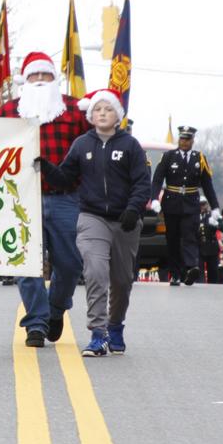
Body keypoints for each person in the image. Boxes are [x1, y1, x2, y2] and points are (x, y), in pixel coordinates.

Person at [38, 88, 151, 357]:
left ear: (118, 115)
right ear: (91, 115)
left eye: (108, 109)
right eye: (98, 109)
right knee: (95, 272)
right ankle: (97, 335)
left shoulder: (130, 146)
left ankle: (115, 326)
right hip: (91, 218)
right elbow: (66, 178)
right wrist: (46, 168)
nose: (102, 113)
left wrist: (134, 210)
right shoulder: (82, 145)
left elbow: (142, 183)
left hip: (125, 221)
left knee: (122, 281)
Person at [0, 52, 90, 348]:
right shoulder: (8, 111)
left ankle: (56, 308)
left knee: (71, 264)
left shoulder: (75, 111)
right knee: (26, 264)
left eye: (45, 75)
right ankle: (36, 323)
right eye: (33, 76)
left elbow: (90, 152)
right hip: (22, 200)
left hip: (65, 198)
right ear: (24, 80)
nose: (39, 81)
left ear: (54, 79)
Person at [150, 126, 221, 286]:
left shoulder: (199, 158)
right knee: (173, 239)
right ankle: (175, 274)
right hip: (171, 202)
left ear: (192, 141)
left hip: (191, 203)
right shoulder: (168, 156)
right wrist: (154, 198)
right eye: (182, 139)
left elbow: (207, 186)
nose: (184, 142)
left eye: (188, 139)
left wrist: (215, 207)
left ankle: (191, 267)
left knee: (190, 235)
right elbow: (157, 179)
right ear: (179, 139)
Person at [197, 197, 223, 284]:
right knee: (199, 275)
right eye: (200, 204)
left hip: (212, 248)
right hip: (199, 248)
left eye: (203, 204)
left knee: (213, 275)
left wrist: (217, 223)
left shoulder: (212, 215)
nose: (202, 206)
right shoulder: (194, 216)